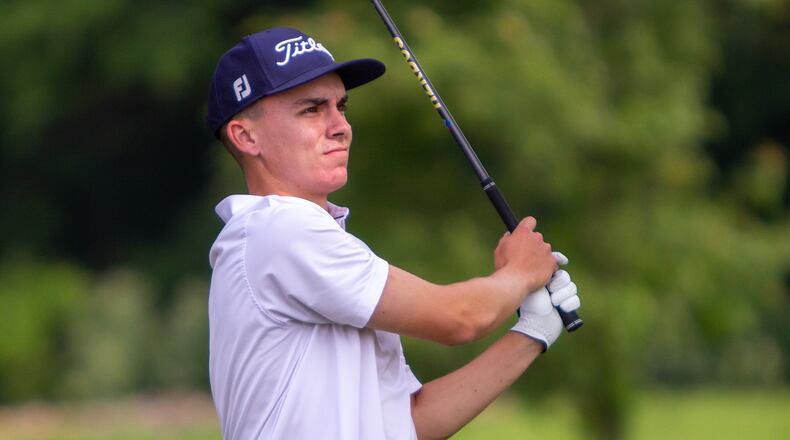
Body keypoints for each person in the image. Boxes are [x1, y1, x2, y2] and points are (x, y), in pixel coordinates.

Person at [205, 27, 581, 440]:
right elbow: (459, 318)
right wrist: (518, 273)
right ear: (246, 136)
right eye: (312, 110)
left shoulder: (310, 239)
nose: (340, 126)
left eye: (341, 106)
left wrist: (532, 333)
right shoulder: (277, 230)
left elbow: (410, 421)